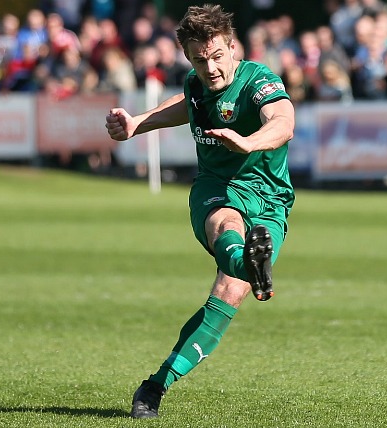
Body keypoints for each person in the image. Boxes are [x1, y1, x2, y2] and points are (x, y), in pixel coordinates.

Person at [104, 4, 295, 419]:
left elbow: (283, 120)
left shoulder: (258, 80)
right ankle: (249, 260)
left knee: (227, 293)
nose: (210, 68)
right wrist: (137, 122)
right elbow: (184, 103)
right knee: (225, 222)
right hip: (215, 189)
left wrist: (251, 141)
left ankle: (155, 384)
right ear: (190, 58)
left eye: (217, 56)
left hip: (270, 197)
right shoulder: (196, 84)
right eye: (198, 59)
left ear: (233, 48)